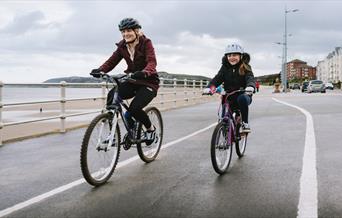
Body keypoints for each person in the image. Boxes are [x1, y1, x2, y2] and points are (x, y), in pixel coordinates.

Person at [90, 18, 159, 142]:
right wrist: (101, 70)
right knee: (112, 96)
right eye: (123, 31)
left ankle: (150, 129)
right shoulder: (122, 46)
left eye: (128, 31)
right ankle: (113, 135)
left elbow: (152, 61)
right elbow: (112, 61)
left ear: (136, 31)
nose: (125, 34)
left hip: (148, 82)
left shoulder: (146, 43)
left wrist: (144, 72)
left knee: (134, 109)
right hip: (132, 80)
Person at [203, 43, 256, 133]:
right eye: (229, 55)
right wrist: (209, 88)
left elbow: (250, 78)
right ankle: (224, 127)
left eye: (234, 55)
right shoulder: (225, 67)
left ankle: (245, 123)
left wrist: (250, 86)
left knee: (242, 98)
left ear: (241, 56)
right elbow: (217, 79)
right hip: (229, 95)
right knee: (224, 111)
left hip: (243, 94)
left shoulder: (246, 67)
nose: (231, 57)